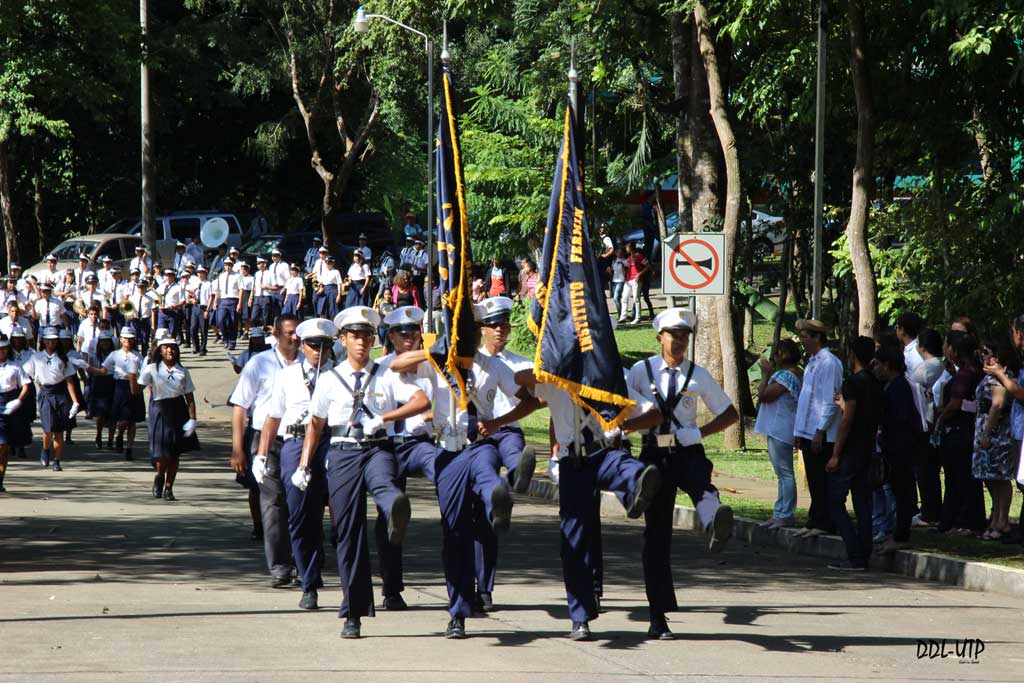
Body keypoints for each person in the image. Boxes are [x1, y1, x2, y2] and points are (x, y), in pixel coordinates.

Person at [294, 306, 426, 638]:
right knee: (348, 532)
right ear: (343, 339)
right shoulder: (328, 378)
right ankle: (353, 611)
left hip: (377, 446)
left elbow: (422, 400)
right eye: (355, 335)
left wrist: (385, 418)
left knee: (385, 482)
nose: (362, 341)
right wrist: (303, 465)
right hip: (342, 453)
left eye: (368, 335)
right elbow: (315, 424)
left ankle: (395, 506)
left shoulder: (386, 373)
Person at [625, 308, 737, 638]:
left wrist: (700, 433)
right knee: (657, 536)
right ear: (660, 337)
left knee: (702, 485)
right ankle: (657, 615)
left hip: (687, 448)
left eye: (685, 336)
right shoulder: (639, 372)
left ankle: (714, 521)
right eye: (674, 335)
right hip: (653, 454)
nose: (680, 342)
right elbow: (619, 404)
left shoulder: (698, 375)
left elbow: (729, 413)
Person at [256, 317, 339, 610]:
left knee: (340, 510)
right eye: (313, 345)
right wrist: (262, 455)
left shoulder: (340, 374)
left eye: (325, 345)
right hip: (294, 442)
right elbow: (273, 416)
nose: (319, 351)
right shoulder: (287, 376)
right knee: (300, 515)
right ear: (302, 345)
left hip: (332, 442)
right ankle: (309, 581)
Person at [471, 297, 538, 612]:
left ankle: (516, 477)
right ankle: (482, 587)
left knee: (515, 451)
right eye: (493, 325)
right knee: (485, 511)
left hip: (507, 430)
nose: (499, 330)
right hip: (478, 438)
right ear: (483, 330)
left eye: (503, 325)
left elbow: (537, 399)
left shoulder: (519, 363)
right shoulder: (470, 360)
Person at [229, 314, 301, 586]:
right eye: (290, 333)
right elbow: (240, 408)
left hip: (299, 438)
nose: (295, 338)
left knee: (300, 501)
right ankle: (280, 567)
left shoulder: (310, 363)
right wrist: (238, 449)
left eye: (298, 333)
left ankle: (301, 559)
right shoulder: (260, 364)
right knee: (272, 502)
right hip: (265, 439)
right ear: (277, 333)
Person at [823, 336, 882, 570]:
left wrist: (836, 454)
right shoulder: (875, 382)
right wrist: (844, 406)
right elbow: (861, 412)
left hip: (851, 451)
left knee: (835, 501)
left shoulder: (853, 383)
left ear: (853, 355)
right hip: (868, 447)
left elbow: (848, 420)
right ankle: (863, 553)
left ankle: (855, 552)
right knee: (862, 501)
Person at [793, 318, 843, 537]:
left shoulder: (829, 363)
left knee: (822, 479)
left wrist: (820, 430)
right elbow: (806, 400)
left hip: (821, 433)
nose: (802, 341)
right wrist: (798, 431)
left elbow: (829, 401)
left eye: (806, 337)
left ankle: (825, 521)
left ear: (817, 338)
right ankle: (816, 519)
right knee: (813, 479)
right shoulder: (812, 362)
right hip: (807, 430)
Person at [874, 340, 924, 552]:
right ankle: (896, 532)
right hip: (893, 446)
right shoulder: (892, 385)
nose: (876, 368)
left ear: (888, 365)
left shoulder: (899, 387)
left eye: (878, 364)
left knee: (902, 493)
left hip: (900, 447)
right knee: (896, 490)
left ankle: (901, 535)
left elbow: (900, 417)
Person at [936, 330, 986, 534]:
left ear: (955, 350)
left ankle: (965, 520)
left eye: (947, 345)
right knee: (961, 477)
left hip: (959, 431)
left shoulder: (965, 374)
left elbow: (956, 403)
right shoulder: (969, 371)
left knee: (958, 477)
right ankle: (957, 518)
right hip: (965, 430)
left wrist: (941, 417)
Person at [139, 337, 199, 501]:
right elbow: (138, 386)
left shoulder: (183, 371)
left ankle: (169, 487)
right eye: (166, 347)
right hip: (159, 409)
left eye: (173, 348)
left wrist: (193, 419)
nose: (170, 351)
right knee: (161, 453)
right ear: (160, 350)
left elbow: (190, 398)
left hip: (178, 410)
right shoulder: (152, 368)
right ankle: (159, 475)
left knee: (174, 453)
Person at [754, 338, 802, 528]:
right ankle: (780, 511)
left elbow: (764, 395)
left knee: (785, 473)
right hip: (780, 427)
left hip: (780, 428)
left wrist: (765, 375)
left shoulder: (786, 376)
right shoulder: (793, 374)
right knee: (782, 473)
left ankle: (786, 513)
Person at [973, 337, 1018, 540]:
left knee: (1000, 477)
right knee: (990, 477)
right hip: (985, 429)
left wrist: (987, 432)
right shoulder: (991, 377)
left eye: (989, 355)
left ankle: (1001, 520)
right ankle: (996, 518)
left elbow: (997, 405)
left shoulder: (1000, 378)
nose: (985, 358)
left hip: (997, 434)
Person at [24, 327, 83, 471]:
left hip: (61, 393)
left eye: (53, 341)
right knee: (48, 427)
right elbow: (27, 374)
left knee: (59, 430)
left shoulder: (63, 358)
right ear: (43, 341)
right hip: (46, 392)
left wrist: (75, 401)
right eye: (48, 341)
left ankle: (57, 460)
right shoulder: (36, 357)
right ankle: (45, 449)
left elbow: (69, 380)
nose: (51, 343)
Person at [910, 328, 946, 527]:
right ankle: (931, 509)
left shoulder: (928, 368)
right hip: (930, 423)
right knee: (928, 471)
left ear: (921, 347)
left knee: (926, 471)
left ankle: (929, 512)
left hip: (927, 423)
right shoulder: (936, 366)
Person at [0, 334, 31, 492]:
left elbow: (26, 385)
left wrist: (18, 400)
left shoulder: (15, 366)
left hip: (9, 402)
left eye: (4, 349)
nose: (1, 352)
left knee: (4, 444)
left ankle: (1, 477)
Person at [85, 331, 117, 450]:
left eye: (107, 341)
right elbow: (90, 369)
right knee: (99, 414)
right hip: (99, 383)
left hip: (112, 382)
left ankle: (110, 439)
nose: (105, 343)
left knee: (112, 414)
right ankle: (98, 435)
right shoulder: (94, 355)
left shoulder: (115, 354)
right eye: (103, 341)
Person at [211, 258, 242, 352]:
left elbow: (241, 290)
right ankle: (225, 338)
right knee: (220, 320)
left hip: (233, 299)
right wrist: (216, 301)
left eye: (229, 265)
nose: (227, 267)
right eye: (226, 265)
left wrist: (240, 303)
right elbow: (218, 290)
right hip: (223, 300)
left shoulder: (237, 275)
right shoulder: (221, 276)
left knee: (233, 322)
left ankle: (232, 342)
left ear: (232, 265)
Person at [619, 242, 649, 324]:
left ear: (630, 248)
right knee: (624, 298)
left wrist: (639, 274)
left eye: (626, 248)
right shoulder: (629, 258)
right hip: (628, 280)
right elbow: (629, 269)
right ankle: (623, 316)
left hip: (636, 280)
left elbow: (647, 266)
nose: (626, 249)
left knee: (636, 299)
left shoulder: (639, 256)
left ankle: (638, 317)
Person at [251, 257, 274, 331]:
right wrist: (251, 297)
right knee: (253, 317)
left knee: (266, 317)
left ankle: (266, 332)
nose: (258, 265)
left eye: (259, 263)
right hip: (257, 297)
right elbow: (254, 286)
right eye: (257, 264)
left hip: (266, 296)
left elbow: (275, 287)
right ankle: (258, 330)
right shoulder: (256, 274)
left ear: (264, 264)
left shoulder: (270, 273)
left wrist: (267, 287)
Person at [608, 247, 628, 318]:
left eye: (620, 252)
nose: (619, 254)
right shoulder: (614, 261)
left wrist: (622, 265)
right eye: (617, 252)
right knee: (617, 299)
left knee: (616, 298)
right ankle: (621, 314)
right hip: (614, 281)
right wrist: (610, 271)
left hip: (621, 281)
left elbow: (626, 272)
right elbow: (613, 272)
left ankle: (621, 315)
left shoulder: (625, 261)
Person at [238, 262, 254, 340]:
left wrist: (250, 298)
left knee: (247, 316)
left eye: (246, 269)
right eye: (243, 269)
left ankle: (246, 332)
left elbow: (252, 289)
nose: (244, 270)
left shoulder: (251, 278)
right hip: (239, 295)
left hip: (247, 295)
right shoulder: (238, 277)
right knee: (238, 315)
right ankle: (239, 330)